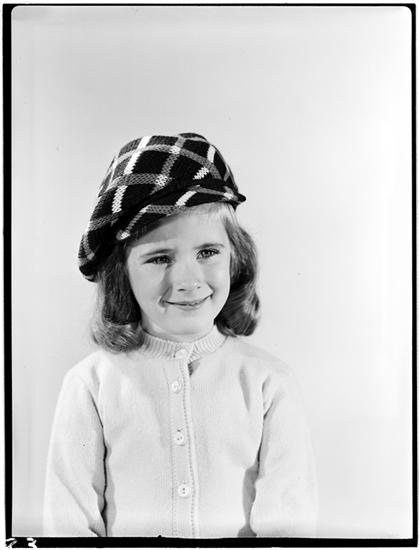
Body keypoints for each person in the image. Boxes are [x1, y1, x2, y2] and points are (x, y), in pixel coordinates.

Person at [43, 132, 318, 538]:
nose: (188, 281)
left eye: (207, 252)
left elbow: (289, 528)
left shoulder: (268, 383)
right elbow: (68, 526)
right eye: (159, 258)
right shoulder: (91, 385)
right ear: (121, 273)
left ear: (235, 257)